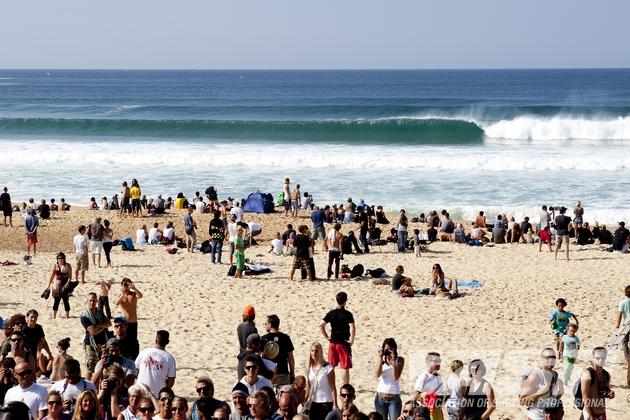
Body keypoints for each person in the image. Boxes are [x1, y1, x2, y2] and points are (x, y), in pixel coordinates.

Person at [320, 292, 355, 385]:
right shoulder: (347, 314)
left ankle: (329, 384)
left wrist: (327, 337)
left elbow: (321, 325)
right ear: (345, 301)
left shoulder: (332, 313)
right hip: (343, 343)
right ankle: (345, 386)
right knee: (344, 367)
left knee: (331, 366)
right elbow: (352, 327)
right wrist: (352, 339)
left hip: (332, 342)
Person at [519, 348, 564, 420]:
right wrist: (541, 392)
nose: (551, 360)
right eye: (548, 358)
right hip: (536, 417)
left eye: (553, 357)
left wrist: (558, 396)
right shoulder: (536, 375)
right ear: (542, 359)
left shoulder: (555, 374)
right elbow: (522, 401)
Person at [135, 330, 176, 399]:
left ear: (155, 340)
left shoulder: (144, 352)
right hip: (157, 394)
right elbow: (171, 382)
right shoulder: (170, 358)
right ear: (168, 342)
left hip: (140, 391)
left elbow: (135, 371)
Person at [80, 293, 111, 378]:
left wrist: (97, 326)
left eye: (94, 300)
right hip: (90, 343)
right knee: (90, 367)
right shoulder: (84, 316)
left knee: (102, 366)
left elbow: (109, 323)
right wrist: (102, 326)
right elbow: (92, 331)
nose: (92, 302)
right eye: (90, 300)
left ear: (96, 301)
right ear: (87, 301)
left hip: (102, 342)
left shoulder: (99, 313)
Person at [305, 343, 337, 420]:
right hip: (313, 402)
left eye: (316, 351)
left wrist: (335, 404)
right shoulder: (309, 367)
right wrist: (305, 399)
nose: (314, 353)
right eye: (312, 351)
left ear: (320, 352)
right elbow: (309, 386)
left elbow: (333, 386)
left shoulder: (327, 367)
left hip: (325, 401)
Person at [579, 347, 614, 420]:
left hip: (602, 413)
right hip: (589, 415)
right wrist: (592, 416)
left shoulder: (606, 374)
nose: (600, 360)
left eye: (603, 358)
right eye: (598, 358)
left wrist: (610, 394)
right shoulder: (587, 374)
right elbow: (585, 398)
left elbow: (606, 390)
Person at [374, 338, 404, 420]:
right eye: (386, 350)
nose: (388, 352)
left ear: (394, 349)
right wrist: (380, 359)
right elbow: (377, 374)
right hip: (380, 397)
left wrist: (394, 361)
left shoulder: (400, 360)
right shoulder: (381, 359)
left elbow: (395, 377)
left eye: (390, 349)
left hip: (394, 399)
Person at [262, 315, 295, 388]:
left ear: (270, 325)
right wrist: (292, 373)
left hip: (268, 373)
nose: (265, 326)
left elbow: (260, 357)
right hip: (283, 372)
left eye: (266, 324)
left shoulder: (263, 339)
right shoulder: (285, 337)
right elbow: (290, 357)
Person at [412, 352, 443, 420]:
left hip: (437, 410)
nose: (438, 363)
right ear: (428, 362)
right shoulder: (424, 377)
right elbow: (415, 395)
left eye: (439, 361)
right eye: (436, 361)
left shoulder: (439, 377)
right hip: (426, 411)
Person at [23, 310, 53, 376]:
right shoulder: (23, 328)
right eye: (32, 317)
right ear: (27, 317)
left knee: (32, 371)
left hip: (33, 352)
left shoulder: (38, 328)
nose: (33, 319)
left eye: (35, 318)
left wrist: (49, 354)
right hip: (23, 353)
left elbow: (44, 342)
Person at [46, 252, 74, 319]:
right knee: (56, 301)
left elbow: (70, 276)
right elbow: (52, 276)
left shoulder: (68, 266)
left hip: (65, 285)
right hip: (57, 286)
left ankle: (67, 315)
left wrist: (68, 283)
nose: (60, 259)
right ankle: (54, 316)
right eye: (59, 258)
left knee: (66, 300)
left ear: (64, 258)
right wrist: (48, 286)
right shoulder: (55, 266)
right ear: (57, 259)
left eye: (62, 258)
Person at [615, 285, 630, 387]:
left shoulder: (622, 302)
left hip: (625, 324)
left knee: (624, 342)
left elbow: (619, 314)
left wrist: (617, 324)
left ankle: (627, 358)